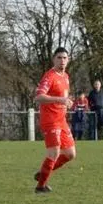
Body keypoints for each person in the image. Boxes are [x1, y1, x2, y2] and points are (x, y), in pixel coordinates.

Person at [33, 47, 75, 194]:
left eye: (64, 58)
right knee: (54, 153)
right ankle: (40, 186)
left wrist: (67, 102)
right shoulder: (49, 76)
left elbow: (62, 97)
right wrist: (61, 100)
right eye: (59, 58)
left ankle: (43, 173)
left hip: (61, 120)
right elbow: (39, 97)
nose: (62, 60)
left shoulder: (65, 77)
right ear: (54, 59)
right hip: (50, 121)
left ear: (68, 60)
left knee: (70, 154)